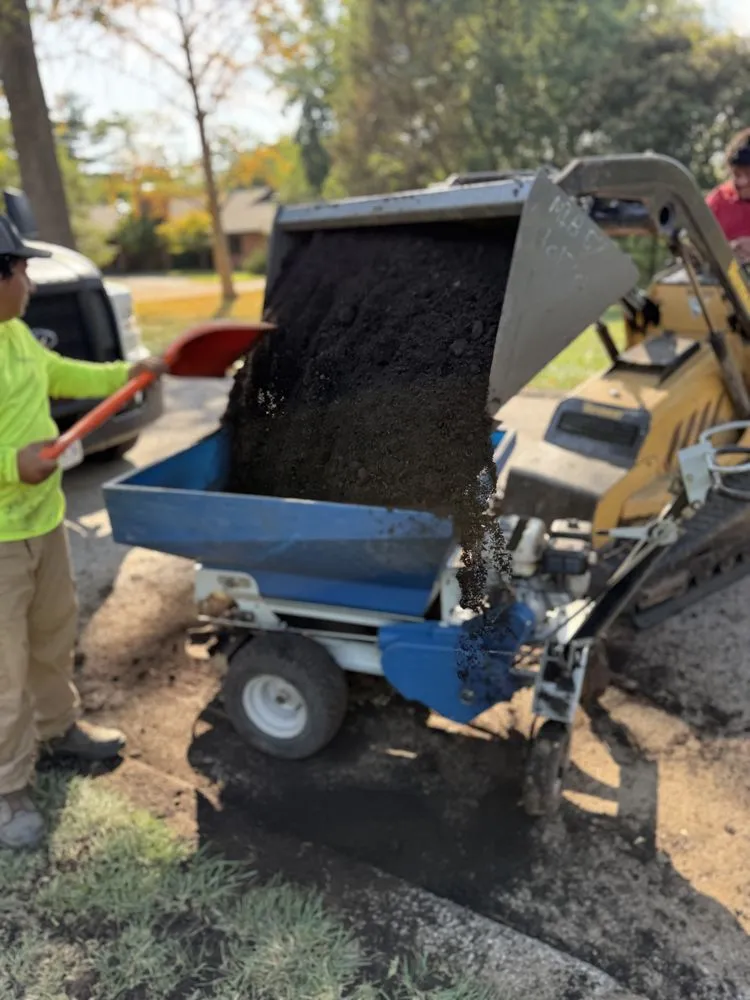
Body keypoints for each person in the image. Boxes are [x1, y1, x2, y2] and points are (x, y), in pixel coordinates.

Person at [0, 215, 167, 849]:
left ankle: (56, 728)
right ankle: (7, 787)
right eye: (20, 270)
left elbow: (64, 375)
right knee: (3, 666)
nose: (30, 284)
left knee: (50, 636)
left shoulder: (15, 336)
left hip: (43, 525)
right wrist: (11, 464)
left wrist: (129, 374)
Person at [706, 128, 750, 264]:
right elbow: (697, 245)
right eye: (736, 174)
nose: (742, 182)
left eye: (749, 174)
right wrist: (725, 250)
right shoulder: (718, 201)